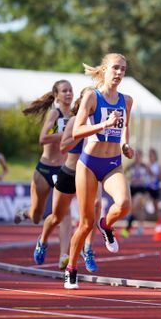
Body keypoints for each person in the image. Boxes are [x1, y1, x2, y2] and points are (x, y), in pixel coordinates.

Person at [64, 53, 134, 289]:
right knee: (85, 223)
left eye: (123, 69)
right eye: (115, 68)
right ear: (104, 69)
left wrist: (125, 144)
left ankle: (106, 226)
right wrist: (103, 124)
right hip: (89, 164)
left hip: (113, 162)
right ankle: (71, 268)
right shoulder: (92, 97)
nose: (119, 73)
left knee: (124, 204)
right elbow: (77, 132)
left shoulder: (127, 100)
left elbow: (125, 127)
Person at [33, 88, 100, 272]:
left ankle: (88, 249)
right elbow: (63, 147)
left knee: (95, 206)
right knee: (56, 217)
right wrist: (81, 134)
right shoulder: (73, 121)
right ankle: (43, 240)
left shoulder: (102, 122)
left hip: (90, 172)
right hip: (70, 172)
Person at [14, 79, 73, 270]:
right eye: (64, 91)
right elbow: (43, 138)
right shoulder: (55, 114)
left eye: (70, 90)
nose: (68, 94)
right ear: (56, 95)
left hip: (62, 170)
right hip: (45, 168)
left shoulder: (74, 115)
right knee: (37, 216)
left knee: (65, 214)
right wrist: (64, 135)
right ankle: (26, 212)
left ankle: (65, 256)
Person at [123, 149, 150, 237]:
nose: (137, 157)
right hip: (132, 188)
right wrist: (127, 180)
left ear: (141, 157)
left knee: (138, 206)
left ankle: (130, 227)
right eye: (136, 155)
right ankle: (137, 227)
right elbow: (122, 173)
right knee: (136, 208)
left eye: (139, 155)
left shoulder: (145, 166)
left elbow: (152, 176)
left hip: (141, 189)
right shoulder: (131, 166)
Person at [148, 148, 161, 241]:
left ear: (155, 155)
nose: (150, 157)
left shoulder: (157, 165)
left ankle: (160, 224)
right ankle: (137, 225)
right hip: (147, 187)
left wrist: (153, 174)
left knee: (156, 207)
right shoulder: (147, 165)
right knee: (140, 203)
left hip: (154, 187)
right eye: (149, 155)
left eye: (152, 155)